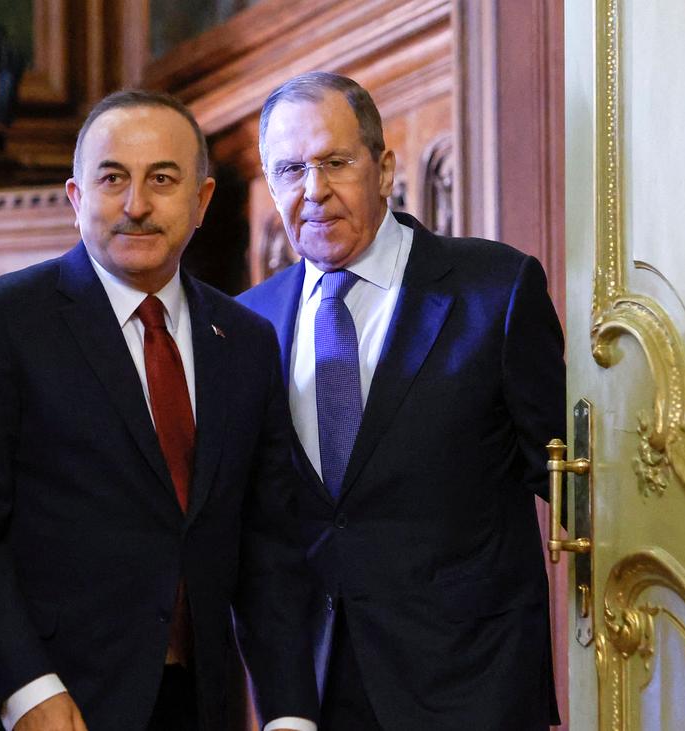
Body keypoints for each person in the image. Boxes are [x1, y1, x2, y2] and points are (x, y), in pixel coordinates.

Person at [0, 89, 318, 731]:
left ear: (201, 201)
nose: (136, 204)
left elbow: (268, 547)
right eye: (112, 179)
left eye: (161, 180)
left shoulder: (246, 341)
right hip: (44, 703)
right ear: (76, 197)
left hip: (194, 705)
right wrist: (27, 690)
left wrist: (289, 714)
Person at [238, 71, 565, 729]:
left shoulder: (494, 290)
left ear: (383, 169)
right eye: (291, 170)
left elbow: (576, 484)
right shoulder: (246, 324)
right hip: (316, 693)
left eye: (335, 162)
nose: (314, 190)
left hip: (473, 688)